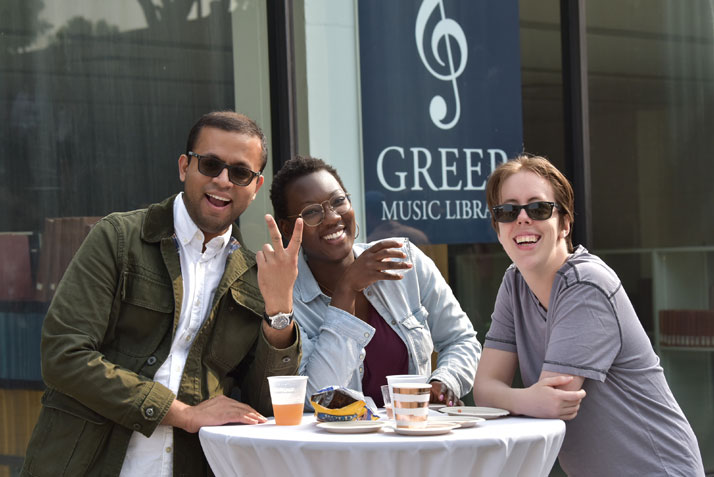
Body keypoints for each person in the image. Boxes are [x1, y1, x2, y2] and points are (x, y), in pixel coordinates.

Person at [21, 111, 304, 477]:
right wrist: (183, 414)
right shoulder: (119, 239)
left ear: (255, 185)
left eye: (239, 173)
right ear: (185, 166)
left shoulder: (254, 275)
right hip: (86, 462)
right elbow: (64, 355)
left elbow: (266, 404)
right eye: (211, 165)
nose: (223, 181)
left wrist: (280, 308)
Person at [473, 155, 704, 476]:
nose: (522, 219)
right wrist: (528, 398)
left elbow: (556, 401)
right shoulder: (514, 284)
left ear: (565, 224)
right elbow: (484, 390)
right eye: (508, 211)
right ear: (498, 229)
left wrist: (514, 397)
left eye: (538, 208)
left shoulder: (586, 283)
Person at [270, 155, 480, 407]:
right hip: (343, 445)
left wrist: (444, 382)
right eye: (312, 212)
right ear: (286, 227)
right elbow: (318, 396)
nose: (332, 217)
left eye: (338, 201)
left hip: (413, 435)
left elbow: (461, 340)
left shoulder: (403, 259)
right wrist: (346, 291)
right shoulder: (288, 302)